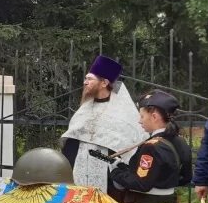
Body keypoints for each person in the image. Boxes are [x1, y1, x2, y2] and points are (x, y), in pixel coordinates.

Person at [61, 56, 146, 193]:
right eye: (85, 78)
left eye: (89, 79)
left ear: (104, 83)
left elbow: (130, 145)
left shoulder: (123, 111)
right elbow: (72, 142)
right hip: (78, 173)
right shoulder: (84, 109)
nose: (85, 82)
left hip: (109, 178)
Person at [109, 90, 192, 203]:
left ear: (154, 117)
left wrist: (115, 171)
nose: (139, 121)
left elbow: (141, 184)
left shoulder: (150, 147)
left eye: (142, 116)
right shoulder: (180, 141)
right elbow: (186, 177)